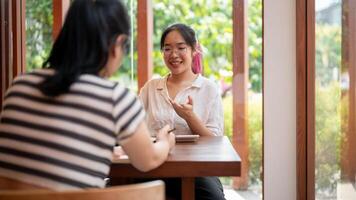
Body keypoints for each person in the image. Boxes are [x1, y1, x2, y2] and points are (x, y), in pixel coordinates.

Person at [0, 0, 174, 191]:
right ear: (117, 43)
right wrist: (165, 142)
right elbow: (148, 160)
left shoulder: (20, 85)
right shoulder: (114, 97)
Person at [139, 23, 225, 200]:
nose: (174, 55)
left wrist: (190, 117)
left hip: (197, 170)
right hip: (153, 166)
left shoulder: (208, 89)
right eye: (167, 49)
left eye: (181, 48)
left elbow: (215, 143)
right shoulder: (151, 88)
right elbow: (133, 128)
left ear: (194, 50)